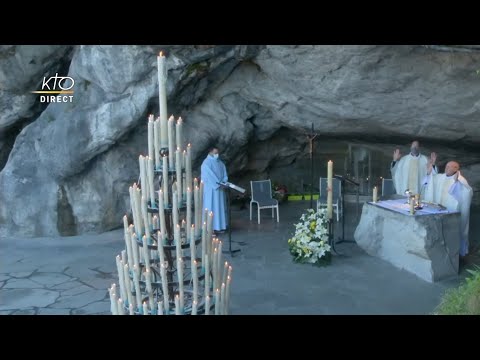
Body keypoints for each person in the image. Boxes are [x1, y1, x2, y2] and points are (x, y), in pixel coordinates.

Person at [423, 161, 473, 257]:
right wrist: (430, 171)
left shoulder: (461, 180)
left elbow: (468, 192)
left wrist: (458, 182)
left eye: (449, 167)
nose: (446, 168)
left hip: (451, 212)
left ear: (456, 169)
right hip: (439, 211)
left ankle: (455, 253)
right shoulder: (440, 177)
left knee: (452, 232)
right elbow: (431, 180)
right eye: (446, 166)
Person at [201, 146, 228, 233]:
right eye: (215, 153)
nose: (217, 155)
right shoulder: (206, 163)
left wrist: (224, 182)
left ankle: (220, 227)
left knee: (219, 207)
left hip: (220, 189)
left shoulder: (220, 163)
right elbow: (209, 176)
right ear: (210, 153)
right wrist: (218, 184)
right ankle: (211, 227)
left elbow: (224, 174)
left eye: (217, 153)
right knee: (211, 207)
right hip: (211, 190)